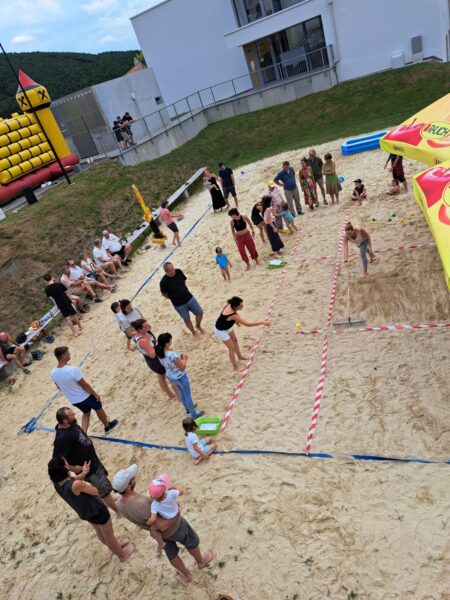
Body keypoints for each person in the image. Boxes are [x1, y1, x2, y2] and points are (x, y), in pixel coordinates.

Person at [112, 463, 214, 582]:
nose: (134, 477)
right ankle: (201, 561)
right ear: (128, 487)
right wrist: (177, 513)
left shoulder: (119, 504)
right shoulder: (140, 504)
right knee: (191, 541)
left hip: (160, 536)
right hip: (174, 528)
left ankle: (186, 575)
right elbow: (161, 525)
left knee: (172, 554)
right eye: (132, 478)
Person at [48, 456, 135, 562]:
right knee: (109, 536)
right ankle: (122, 555)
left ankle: (116, 547)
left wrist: (83, 473)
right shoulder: (76, 485)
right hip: (98, 511)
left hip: (86, 513)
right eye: (66, 463)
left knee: (101, 533)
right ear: (65, 467)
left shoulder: (57, 484)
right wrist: (87, 482)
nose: (68, 464)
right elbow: (95, 491)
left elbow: (73, 482)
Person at [52, 406, 119, 514]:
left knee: (104, 484)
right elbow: (57, 461)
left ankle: (110, 500)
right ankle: (118, 511)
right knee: (104, 491)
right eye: (71, 415)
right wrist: (74, 468)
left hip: (93, 461)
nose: (74, 415)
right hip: (89, 470)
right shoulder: (61, 438)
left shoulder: (70, 423)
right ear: (64, 421)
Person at [51, 346, 118, 434]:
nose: (70, 354)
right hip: (85, 396)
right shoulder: (72, 370)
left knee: (86, 413)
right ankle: (107, 427)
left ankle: (84, 434)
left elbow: (59, 387)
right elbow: (85, 385)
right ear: (63, 356)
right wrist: (95, 394)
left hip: (74, 400)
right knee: (98, 409)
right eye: (67, 353)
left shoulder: (53, 372)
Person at [155, 333, 204, 418]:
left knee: (181, 393)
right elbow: (182, 367)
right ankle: (194, 414)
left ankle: (188, 409)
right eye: (170, 340)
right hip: (180, 377)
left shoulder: (159, 353)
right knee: (187, 395)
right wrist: (185, 358)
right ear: (167, 343)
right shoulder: (171, 355)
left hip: (171, 376)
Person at [214, 296, 270, 372]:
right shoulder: (233, 315)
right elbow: (247, 324)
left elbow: (233, 318)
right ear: (235, 307)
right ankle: (235, 367)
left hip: (227, 327)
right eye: (240, 305)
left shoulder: (230, 305)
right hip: (220, 331)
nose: (242, 306)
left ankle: (240, 356)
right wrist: (262, 322)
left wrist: (236, 322)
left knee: (235, 340)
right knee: (231, 348)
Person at [131, 318, 178, 400]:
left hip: (157, 358)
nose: (148, 327)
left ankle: (171, 395)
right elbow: (152, 355)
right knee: (170, 376)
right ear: (139, 329)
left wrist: (147, 326)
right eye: (145, 327)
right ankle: (177, 395)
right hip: (155, 361)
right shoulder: (142, 341)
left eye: (147, 325)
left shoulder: (145, 332)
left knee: (161, 376)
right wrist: (161, 346)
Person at [160, 262, 204, 339]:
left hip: (189, 297)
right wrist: (172, 298)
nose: (173, 271)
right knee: (187, 319)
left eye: (173, 269)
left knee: (200, 312)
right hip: (179, 304)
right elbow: (164, 294)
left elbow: (184, 281)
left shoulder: (178, 271)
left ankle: (198, 325)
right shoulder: (163, 282)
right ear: (166, 272)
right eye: (170, 270)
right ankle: (194, 333)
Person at [146, 474, 182, 552]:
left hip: (168, 518)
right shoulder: (171, 493)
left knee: (153, 530)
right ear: (164, 490)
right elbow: (181, 492)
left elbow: (153, 519)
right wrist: (175, 487)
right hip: (176, 511)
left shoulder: (154, 504)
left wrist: (149, 522)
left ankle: (161, 543)